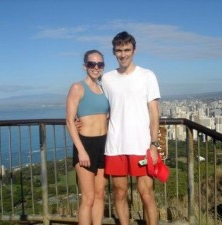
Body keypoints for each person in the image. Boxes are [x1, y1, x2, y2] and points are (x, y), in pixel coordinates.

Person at [102, 31, 161, 225]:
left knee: (146, 194)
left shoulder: (147, 75)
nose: (123, 54)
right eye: (119, 50)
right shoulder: (107, 79)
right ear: (114, 52)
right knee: (119, 193)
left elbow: (154, 112)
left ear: (134, 50)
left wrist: (153, 144)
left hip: (141, 144)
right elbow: (102, 108)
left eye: (127, 50)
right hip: (115, 145)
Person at [66, 49, 110, 225]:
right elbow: (70, 121)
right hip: (85, 144)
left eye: (100, 64)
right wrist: (81, 151)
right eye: (92, 64)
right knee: (88, 198)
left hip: (104, 144)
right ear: (85, 66)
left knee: (100, 195)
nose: (96, 67)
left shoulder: (104, 88)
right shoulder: (77, 87)